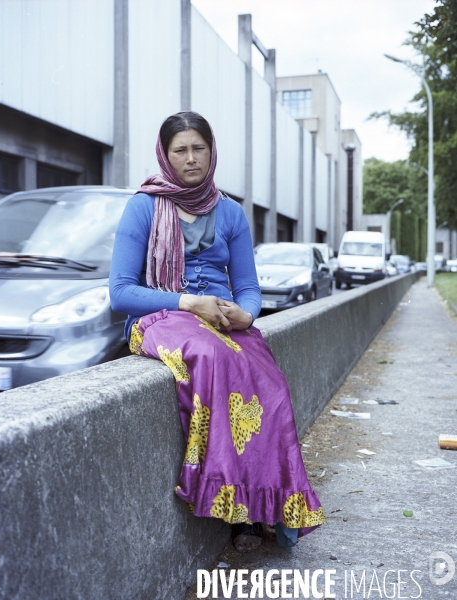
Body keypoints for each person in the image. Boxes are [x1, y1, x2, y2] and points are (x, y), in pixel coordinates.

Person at [109, 111, 325, 553]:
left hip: (222, 320)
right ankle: (233, 505)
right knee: (214, 358)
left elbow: (247, 287)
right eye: (180, 150)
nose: (191, 158)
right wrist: (189, 302)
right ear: (165, 155)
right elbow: (120, 292)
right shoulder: (144, 206)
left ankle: (260, 508)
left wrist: (245, 314)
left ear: (211, 151)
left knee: (273, 386)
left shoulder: (230, 212)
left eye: (198, 148)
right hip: (162, 316)